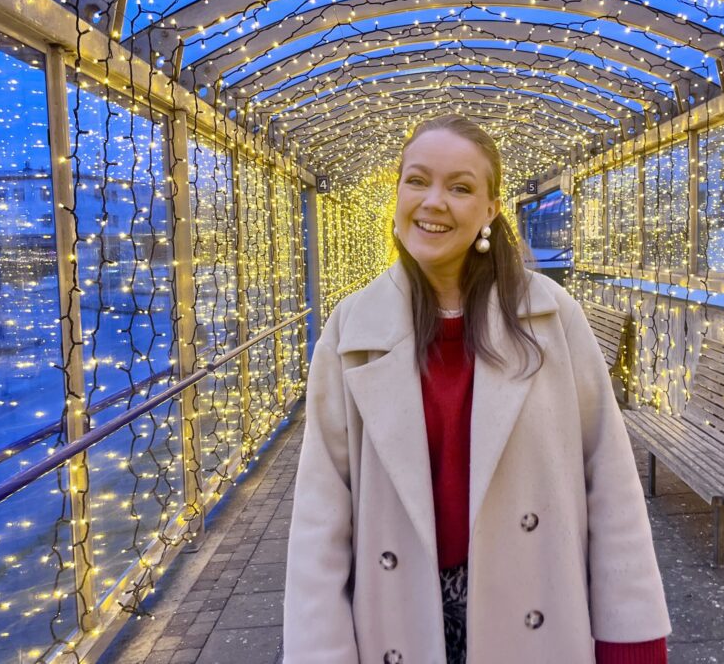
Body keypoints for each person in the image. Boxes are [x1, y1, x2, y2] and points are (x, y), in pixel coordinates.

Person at [284, 114, 671, 663]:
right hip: (399, 616)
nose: (433, 202)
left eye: (460, 187)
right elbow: (321, 516)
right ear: (397, 193)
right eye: (417, 180)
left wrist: (632, 637)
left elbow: (608, 480)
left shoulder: (549, 316)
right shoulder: (352, 329)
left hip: (534, 607)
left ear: (491, 209)